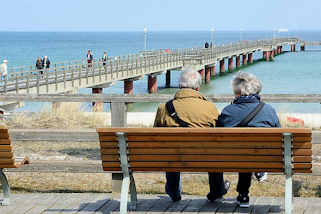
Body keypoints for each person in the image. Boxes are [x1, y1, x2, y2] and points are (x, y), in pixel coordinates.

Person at [154, 69, 230, 202]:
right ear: (198, 87)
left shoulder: (163, 108)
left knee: (171, 151)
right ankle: (217, 190)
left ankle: (173, 191)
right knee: (214, 151)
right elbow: (219, 137)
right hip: (205, 157)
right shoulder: (210, 107)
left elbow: (156, 137)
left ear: (179, 86)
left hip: (175, 157)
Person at [213, 72, 280, 208]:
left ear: (237, 91)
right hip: (264, 158)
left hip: (231, 158)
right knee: (250, 153)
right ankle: (247, 189)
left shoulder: (228, 111)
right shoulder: (268, 110)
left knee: (243, 153)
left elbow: (217, 136)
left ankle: (243, 195)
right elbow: (279, 134)